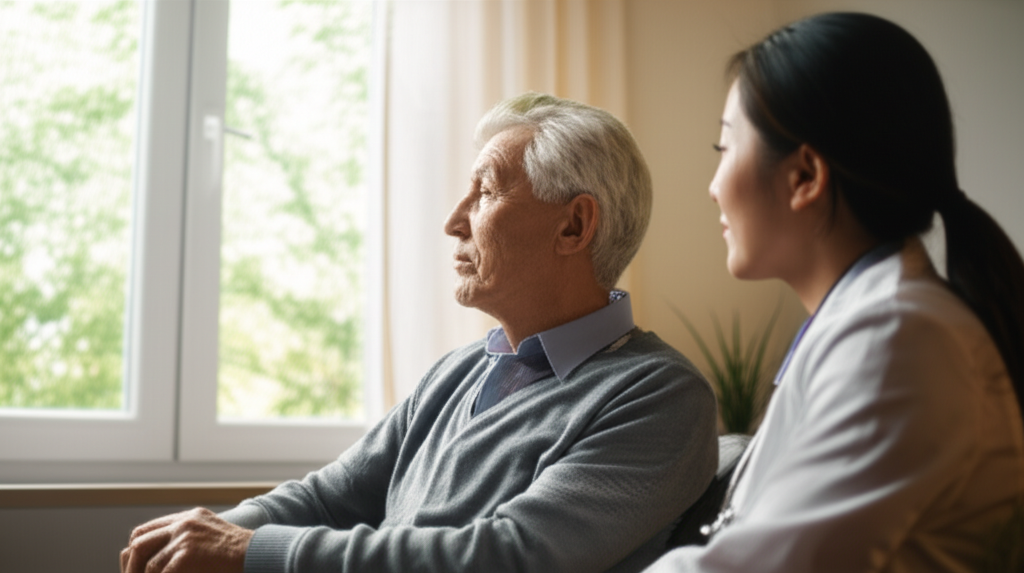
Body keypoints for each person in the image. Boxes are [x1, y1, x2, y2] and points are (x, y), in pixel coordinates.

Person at [120, 93, 719, 573]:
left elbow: (509, 555)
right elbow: (331, 497)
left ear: (574, 225)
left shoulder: (659, 396)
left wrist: (246, 553)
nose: (453, 221)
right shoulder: (460, 370)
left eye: (484, 192)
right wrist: (206, 532)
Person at [646, 12, 1024, 573]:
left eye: (724, 148)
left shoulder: (899, 339)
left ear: (805, 177)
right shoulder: (879, 324)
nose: (713, 186)